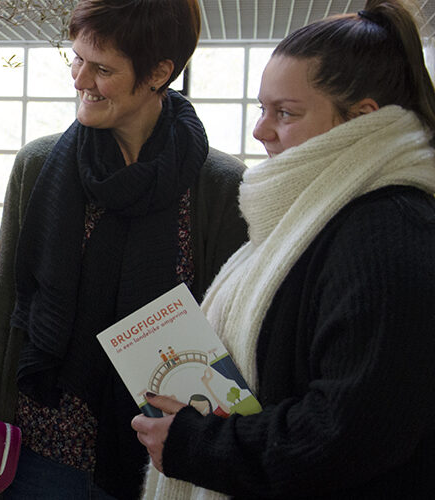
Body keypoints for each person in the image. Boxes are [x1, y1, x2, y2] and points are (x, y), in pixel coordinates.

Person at [132, 1, 435, 497]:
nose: (260, 131)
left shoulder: (388, 235)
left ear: (362, 120)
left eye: (286, 113)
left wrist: (196, 443)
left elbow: (345, 435)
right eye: (261, 109)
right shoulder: (317, 219)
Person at [0, 0, 248, 497]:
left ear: (160, 72)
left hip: (163, 459)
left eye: (102, 69)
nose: (79, 79)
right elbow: (5, 307)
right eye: (76, 59)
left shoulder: (221, 187)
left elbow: (233, 330)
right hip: (40, 452)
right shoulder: (39, 166)